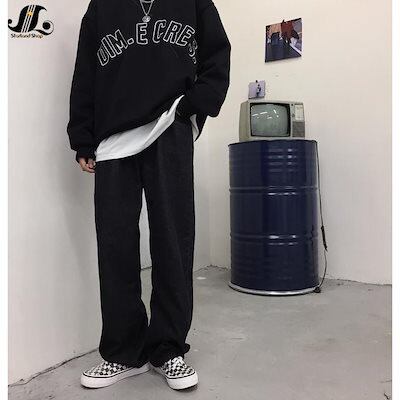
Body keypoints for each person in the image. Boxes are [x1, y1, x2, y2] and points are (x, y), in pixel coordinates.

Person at [67, 0, 230, 391]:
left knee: (173, 240)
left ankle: (167, 349)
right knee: (115, 245)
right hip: (113, 136)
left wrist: (194, 105)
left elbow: (217, 52)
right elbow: (85, 72)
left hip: (169, 126)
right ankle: (124, 353)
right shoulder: (101, 7)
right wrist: (82, 137)